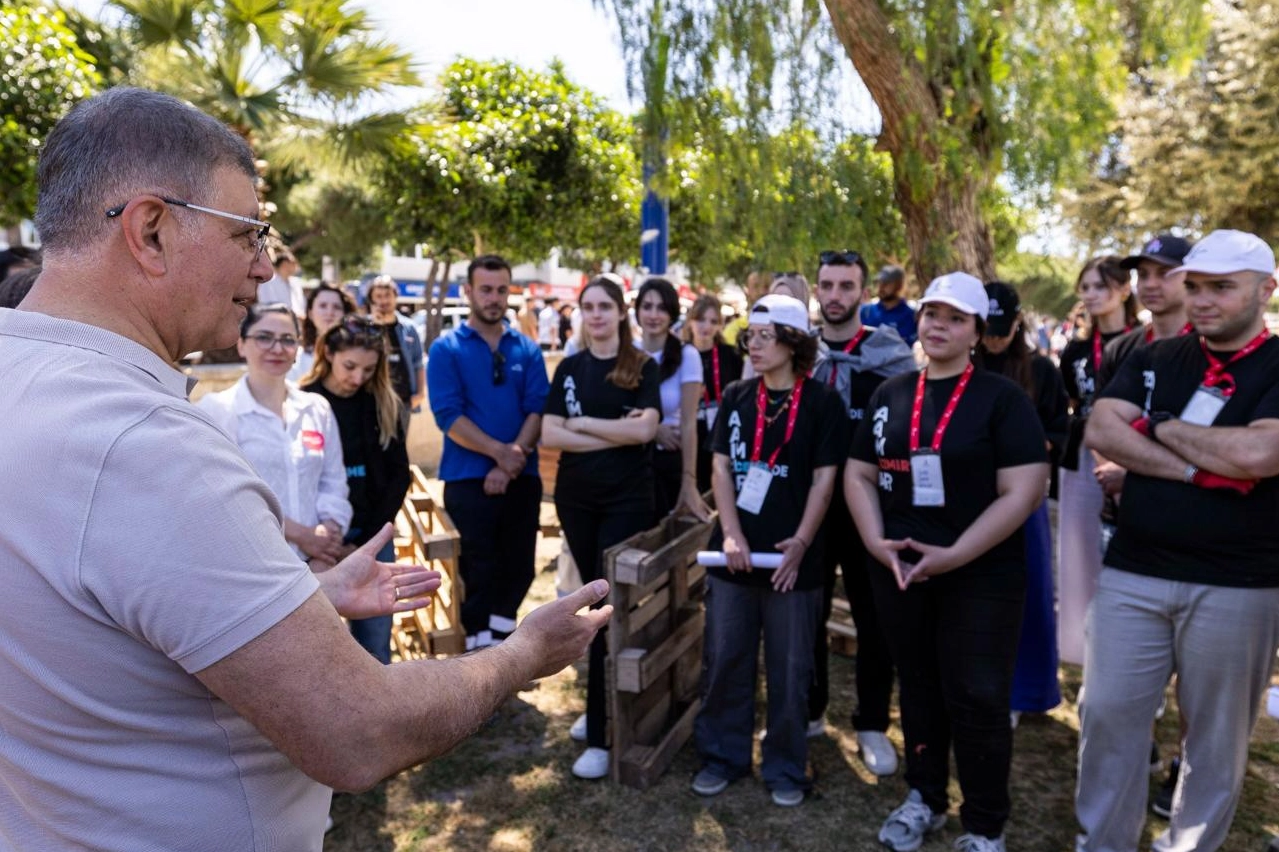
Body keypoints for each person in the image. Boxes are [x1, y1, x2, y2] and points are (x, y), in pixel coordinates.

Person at [0, 86, 610, 850]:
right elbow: (360, 731)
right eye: (248, 233)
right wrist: (521, 654)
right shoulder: (147, 444)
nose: (263, 270)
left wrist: (303, 595)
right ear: (149, 230)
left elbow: (91, 608)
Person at [1077, 229, 1279, 852]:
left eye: (1222, 287)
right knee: (1106, 716)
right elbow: (1103, 428)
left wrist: (1158, 425)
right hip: (1134, 567)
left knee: (1214, 741)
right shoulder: (1156, 355)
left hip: (1239, 580)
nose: (1203, 300)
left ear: (1266, 290)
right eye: (1194, 286)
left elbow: (1261, 451)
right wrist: (1198, 466)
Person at [846, 272, 1049, 852]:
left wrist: (956, 554)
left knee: (979, 696)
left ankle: (985, 826)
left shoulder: (1002, 400)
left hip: (980, 575)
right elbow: (859, 472)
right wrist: (874, 541)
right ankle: (925, 797)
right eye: (932, 313)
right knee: (918, 687)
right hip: (901, 570)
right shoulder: (891, 394)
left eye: (955, 318)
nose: (938, 325)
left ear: (977, 333)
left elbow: (1025, 490)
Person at [691, 293, 846, 808]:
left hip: (793, 564)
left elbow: (827, 480)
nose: (752, 345)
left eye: (763, 336)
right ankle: (722, 757)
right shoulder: (737, 395)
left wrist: (801, 542)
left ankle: (784, 765)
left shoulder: (823, 404)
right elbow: (719, 469)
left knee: (791, 668)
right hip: (733, 559)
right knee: (726, 659)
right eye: (749, 336)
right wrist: (731, 534)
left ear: (793, 341)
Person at [542, 275, 661, 780]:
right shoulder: (569, 367)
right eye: (587, 306)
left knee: (607, 604)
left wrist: (583, 425)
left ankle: (602, 731)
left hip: (628, 500)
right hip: (577, 500)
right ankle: (600, 709)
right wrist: (616, 431)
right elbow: (549, 433)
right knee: (592, 603)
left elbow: (648, 430)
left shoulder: (641, 366)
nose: (595, 315)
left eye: (604, 306)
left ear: (620, 312)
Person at [1097, 233, 1194, 818]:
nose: (1152, 284)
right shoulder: (1124, 347)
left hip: (1197, 527)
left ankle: (1186, 764)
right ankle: (1143, 753)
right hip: (1124, 527)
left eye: (1166, 273)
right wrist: (1111, 470)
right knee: (1135, 656)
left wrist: (1138, 471)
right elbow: (1104, 426)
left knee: (1194, 665)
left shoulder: (1211, 349)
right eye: (1144, 274)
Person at [807, 249, 914, 774]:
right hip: (808, 507)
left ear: (864, 293)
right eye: (827, 285)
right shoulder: (796, 351)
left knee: (876, 621)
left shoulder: (890, 354)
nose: (835, 297)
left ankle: (872, 723)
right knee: (807, 611)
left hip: (871, 509)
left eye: (846, 286)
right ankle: (808, 711)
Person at [428, 255, 549, 651]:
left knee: (519, 570)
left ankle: (498, 643)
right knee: (478, 571)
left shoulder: (527, 350)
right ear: (468, 292)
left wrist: (512, 461)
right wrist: (500, 454)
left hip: (522, 477)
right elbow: (448, 416)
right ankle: (479, 657)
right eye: (485, 289)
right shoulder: (446, 349)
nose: (494, 298)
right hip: (466, 478)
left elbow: (537, 409)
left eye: (501, 289)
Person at [198, 303, 352, 569]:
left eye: (287, 339)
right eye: (264, 337)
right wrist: (303, 536)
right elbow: (225, 499)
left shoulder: (317, 408)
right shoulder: (218, 410)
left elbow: (333, 482)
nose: (277, 348)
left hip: (317, 563)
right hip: (252, 568)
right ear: (241, 344)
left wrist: (328, 534)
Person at [980, 281, 1070, 724]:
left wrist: (1018, 453)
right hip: (967, 497)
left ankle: (1023, 691)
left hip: (1022, 499)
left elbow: (1057, 434)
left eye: (1001, 328)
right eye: (985, 327)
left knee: (1027, 593)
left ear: (1017, 322)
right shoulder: (964, 365)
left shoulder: (1041, 371)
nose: (993, 338)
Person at [302, 316, 413, 664]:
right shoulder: (304, 403)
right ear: (329, 353)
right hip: (317, 542)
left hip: (373, 538)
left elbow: (398, 476)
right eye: (350, 366)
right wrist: (324, 540)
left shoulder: (383, 403)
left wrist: (365, 540)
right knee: (316, 650)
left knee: (375, 648)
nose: (357, 378)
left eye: (368, 369)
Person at [1056, 256, 1138, 667]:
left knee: (1127, 557)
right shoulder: (1074, 350)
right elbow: (1071, 402)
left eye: (1100, 287)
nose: (1090, 295)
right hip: (1082, 460)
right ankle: (1085, 653)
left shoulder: (1147, 342)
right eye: (1085, 287)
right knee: (1080, 554)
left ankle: (1135, 658)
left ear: (1124, 289)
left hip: (1135, 459)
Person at [635, 277, 710, 520]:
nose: (654, 315)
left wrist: (689, 480)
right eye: (647, 307)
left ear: (672, 313)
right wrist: (653, 429)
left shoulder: (687, 355)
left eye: (662, 308)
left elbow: (689, 423)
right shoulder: (628, 353)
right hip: (630, 462)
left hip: (670, 462)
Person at [681, 294, 744, 493]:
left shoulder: (730, 355)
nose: (705, 326)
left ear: (720, 325)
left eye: (713, 321)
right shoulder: (680, 355)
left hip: (722, 432)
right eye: (700, 319)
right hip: (690, 433)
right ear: (690, 321)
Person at [364, 274, 425, 414]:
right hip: (373, 403)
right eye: (378, 296)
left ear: (395, 296)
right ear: (371, 299)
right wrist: (376, 324)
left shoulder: (410, 328)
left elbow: (418, 363)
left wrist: (420, 395)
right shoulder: (365, 327)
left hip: (404, 402)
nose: (383, 300)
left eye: (387, 295)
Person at [289, 281, 357, 383]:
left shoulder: (357, 355)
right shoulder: (296, 358)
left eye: (336, 307)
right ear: (310, 313)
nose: (329, 312)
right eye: (323, 306)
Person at [861, 264, 918, 346]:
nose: (881, 287)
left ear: (899, 286)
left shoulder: (912, 316)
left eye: (886, 283)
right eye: (879, 282)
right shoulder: (866, 311)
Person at [257, 247, 305, 318]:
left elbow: (301, 304)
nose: (296, 266)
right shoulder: (267, 282)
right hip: (275, 322)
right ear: (284, 264)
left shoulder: (296, 282)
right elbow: (268, 305)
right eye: (293, 263)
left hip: (296, 323)